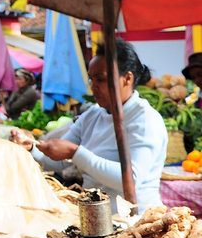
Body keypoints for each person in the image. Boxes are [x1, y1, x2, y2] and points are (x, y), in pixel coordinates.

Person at [19, 39, 167, 212]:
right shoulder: (93, 115)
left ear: (127, 78)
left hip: (137, 221)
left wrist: (75, 152)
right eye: (91, 79)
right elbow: (58, 162)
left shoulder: (145, 120)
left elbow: (131, 180)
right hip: (95, 217)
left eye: (101, 79)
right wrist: (32, 149)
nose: (93, 87)